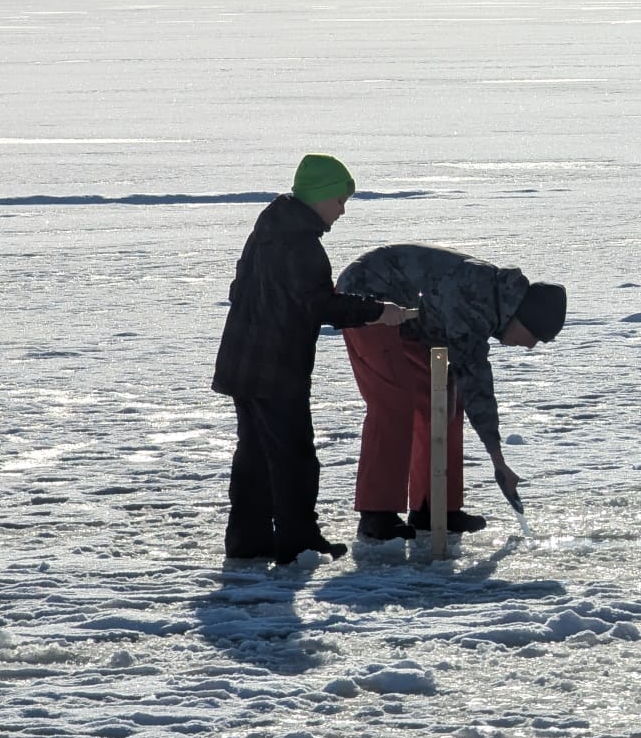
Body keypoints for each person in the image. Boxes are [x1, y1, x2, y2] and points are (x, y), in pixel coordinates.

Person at [212, 154, 414, 564]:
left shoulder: (268, 230)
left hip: (241, 362)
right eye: (339, 201)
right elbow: (319, 305)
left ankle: (248, 541)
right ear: (319, 197)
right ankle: (300, 542)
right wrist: (379, 311)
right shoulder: (301, 244)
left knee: (254, 455)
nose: (342, 211)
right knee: (294, 457)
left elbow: (243, 290)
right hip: (275, 369)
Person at [333, 243, 567, 541]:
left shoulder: (495, 301)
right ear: (523, 317)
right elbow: (477, 384)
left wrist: (498, 460)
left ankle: (434, 507)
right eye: (535, 336)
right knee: (394, 401)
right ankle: (376, 513)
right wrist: (498, 461)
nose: (531, 346)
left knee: (445, 400)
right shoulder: (477, 302)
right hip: (367, 296)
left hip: (413, 321)